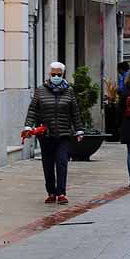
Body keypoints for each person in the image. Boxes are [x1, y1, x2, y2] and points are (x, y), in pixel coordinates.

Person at [24, 62, 84, 205]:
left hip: (63, 134)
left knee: (62, 163)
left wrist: (79, 130)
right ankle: (51, 192)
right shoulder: (40, 90)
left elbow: (74, 112)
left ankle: (62, 193)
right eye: (53, 74)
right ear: (49, 74)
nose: (56, 77)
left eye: (59, 74)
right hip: (46, 135)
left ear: (63, 75)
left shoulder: (69, 91)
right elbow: (33, 109)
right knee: (48, 164)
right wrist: (28, 127)